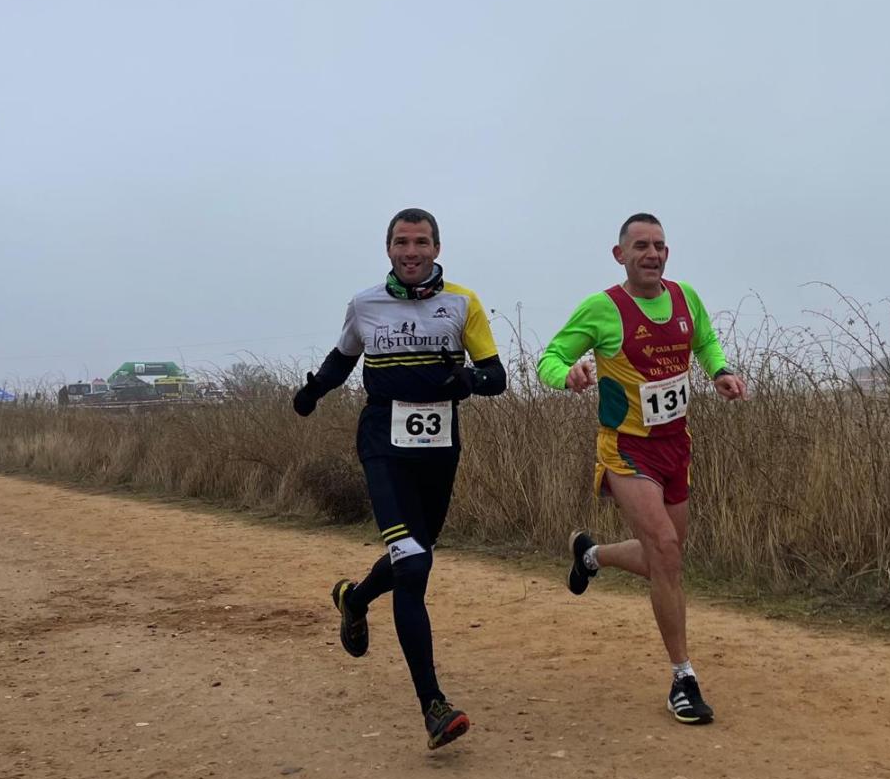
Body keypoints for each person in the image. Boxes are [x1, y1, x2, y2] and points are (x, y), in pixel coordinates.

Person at [293, 208, 507, 750]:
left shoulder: (463, 303)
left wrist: (468, 379)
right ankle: (433, 705)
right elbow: (343, 358)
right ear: (388, 249)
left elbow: (497, 377)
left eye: (421, 242)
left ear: (437, 248)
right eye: (402, 243)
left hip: (439, 448)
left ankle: (355, 599)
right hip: (382, 444)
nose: (412, 252)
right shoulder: (365, 304)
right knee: (413, 565)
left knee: (416, 553)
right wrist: (313, 392)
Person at [538, 213, 745, 725]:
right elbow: (550, 358)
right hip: (627, 449)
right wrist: (570, 374)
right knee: (666, 550)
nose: (652, 255)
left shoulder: (685, 297)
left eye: (659, 246)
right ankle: (683, 679)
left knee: (663, 561)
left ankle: (592, 556)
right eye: (641, 247)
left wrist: (719, 371)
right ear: (620, 255)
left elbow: (705, 342)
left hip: (676, 446)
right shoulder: (602, 308)